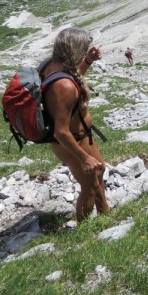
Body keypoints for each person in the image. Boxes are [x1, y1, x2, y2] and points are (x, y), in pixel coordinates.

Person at [41, 27, 109, 222]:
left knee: (99, 171)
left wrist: (88, 61)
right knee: (89, 187)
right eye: (84, 49)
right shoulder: (64, 87)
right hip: (70, 142)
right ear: (75, 49)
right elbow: (61, 132)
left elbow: (72, 76)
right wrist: (84, 158)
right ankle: (85, 230)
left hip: (81, 136)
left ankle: (105, 215)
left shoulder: (53, 65)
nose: (85, 51)